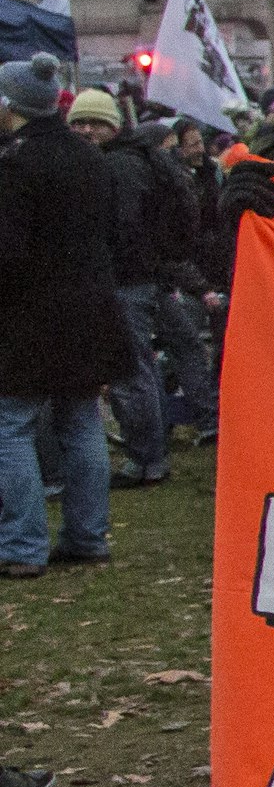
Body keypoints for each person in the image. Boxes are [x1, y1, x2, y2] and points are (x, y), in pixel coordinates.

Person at [0, 56, 124, 607]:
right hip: (89, 309)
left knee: (12, 426)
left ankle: (24, 544)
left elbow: (10, 251)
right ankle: (88, 536)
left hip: (28, 314)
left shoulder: (16, 165)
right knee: (80, 422)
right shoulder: (89, 157)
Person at [80, 94, 209, 485]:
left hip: (127, 279)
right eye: (79, 123)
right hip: (147, 276)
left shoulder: (118, 166)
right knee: (148, 365)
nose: (86, 131)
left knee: (132, 370)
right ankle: (154, 451)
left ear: (114, 125)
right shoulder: (137, 159)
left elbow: (123, 226)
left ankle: (147, 460)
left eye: (95, 123)